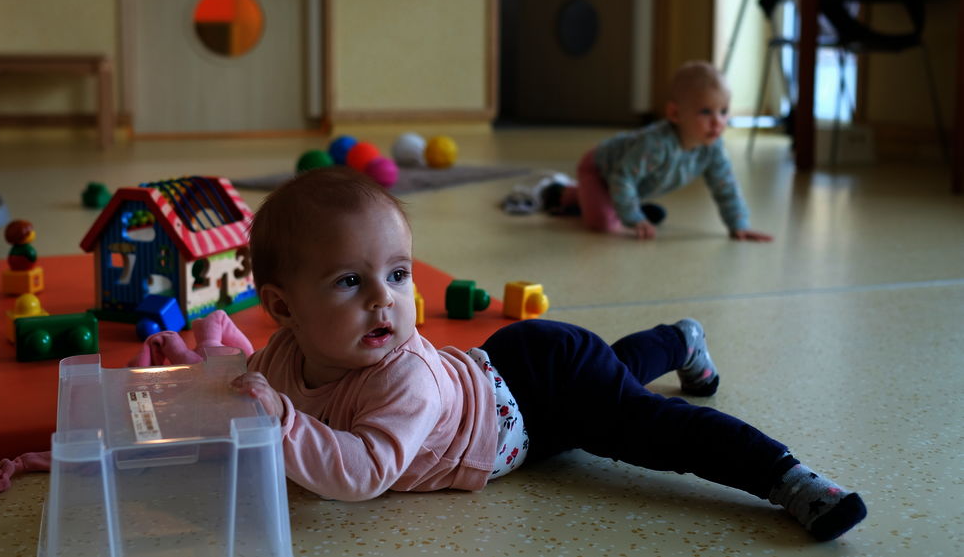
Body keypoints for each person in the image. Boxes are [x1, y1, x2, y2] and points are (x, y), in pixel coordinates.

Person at [139, 167, 865, 542]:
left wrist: (280, 424)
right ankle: (679, 339)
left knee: (645, 427)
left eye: (397, 274)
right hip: (511, 370)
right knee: (611, 385)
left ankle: (788, 477)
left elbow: (359, 473)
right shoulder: (284, 355)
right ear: (284, 306)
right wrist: (211, 379)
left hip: (534, 396)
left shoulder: (407, 378)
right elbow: (244, 385)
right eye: (350, 281)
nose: (385, 299)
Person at [558, 61, 773, 241]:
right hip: (599, 169)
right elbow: (622, 177)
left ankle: (611, 203)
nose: (717, 122)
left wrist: (738, 224)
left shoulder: (712, 148)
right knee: (603, 224)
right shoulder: (656, 145)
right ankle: (570, 193)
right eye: (706, 112)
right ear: (675, 113)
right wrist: (634, 218)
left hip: (629, 181)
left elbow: (725, 186)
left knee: (620, 203)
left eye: (723, 111)